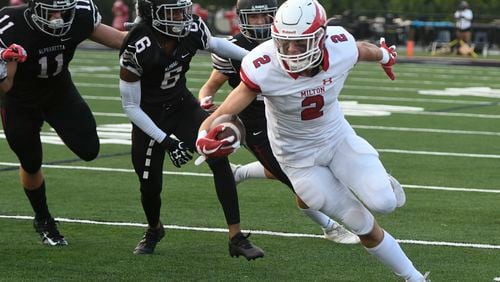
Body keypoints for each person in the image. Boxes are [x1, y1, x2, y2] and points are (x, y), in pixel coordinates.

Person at [196, 0, 429, 280]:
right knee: (360, 223)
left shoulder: (339, 45)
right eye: (284, 42)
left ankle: (384, 184)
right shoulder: (263, 64)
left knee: (384, 203)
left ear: (321, 38)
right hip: (297, 159)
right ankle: (414, 277)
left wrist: (385, 56)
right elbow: (224, 112)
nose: (291, 51)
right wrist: (203, 137)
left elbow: (363, 50)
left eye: (300, 43)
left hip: (336, 139)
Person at [198, 0, 358, 244]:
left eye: (265, 17)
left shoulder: (290, 40)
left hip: (292, 116)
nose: (260, 23)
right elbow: (210, 85)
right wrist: (205, 99)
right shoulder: (232, 48)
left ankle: (239, 173)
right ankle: (329, 226)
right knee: (299, 179)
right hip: (258, 122)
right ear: (241, 19)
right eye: (254, 18)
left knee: (309, 165)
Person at [118, 0, 264, 259]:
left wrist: (257, 60)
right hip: (149, 116)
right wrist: (167, 142)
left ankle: (236, 237)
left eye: (182, 9)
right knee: (150, 187)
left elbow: (216, 45)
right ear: (153, 14)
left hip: (181, 105)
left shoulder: (191, 28)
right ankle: (154, 229)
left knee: (219, 157)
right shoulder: (137, 46)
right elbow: (131, 106)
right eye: (173, 12)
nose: (182, 17)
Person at [0, 0, 127, 246]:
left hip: (59, 92)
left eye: (63, 10)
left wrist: (152, 34)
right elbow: (6, 87)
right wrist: (4, 64)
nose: (58, 17)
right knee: (31, 161)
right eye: (52, 11)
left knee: (90, 150)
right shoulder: (12, 25)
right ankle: (43, 217)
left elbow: (119, 40)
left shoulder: (79, 15)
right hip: (20, 100)